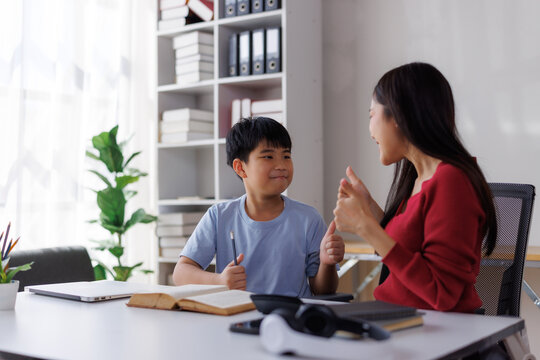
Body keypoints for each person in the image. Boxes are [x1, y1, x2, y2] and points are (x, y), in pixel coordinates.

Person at [333, 62, 497, 313]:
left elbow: (442, 294)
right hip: (401, 320)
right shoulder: (420, 178)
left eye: (371, 115)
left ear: (397, 116)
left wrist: (364, 227)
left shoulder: (453, 182)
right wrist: (370, 210)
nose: (370, 131)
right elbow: (406, 249)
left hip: (436, 332)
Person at [173, 117, 344, 296]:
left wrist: (327, 263)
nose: (281, 165)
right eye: (268, 156)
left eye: (286, 156)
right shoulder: (219, 216)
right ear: (240, 167)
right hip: (235, 318)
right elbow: (180, 273)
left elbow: (324, 290)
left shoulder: (309, 219)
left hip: (290, 320)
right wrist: (220, 281)